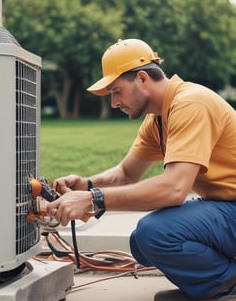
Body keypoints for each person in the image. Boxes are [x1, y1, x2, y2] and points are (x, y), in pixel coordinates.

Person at [46, 38, 236, 301]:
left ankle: (225, 285)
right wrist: (86, 185)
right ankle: (214, 280)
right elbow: (126, 174)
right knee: (141, 243)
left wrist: (92, 200)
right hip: (227, 206)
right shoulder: (157, 119)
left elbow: (174, 189)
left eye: (116, 91)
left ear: (143, 78)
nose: (113, 103)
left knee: (156, 234)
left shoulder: (191, 103)